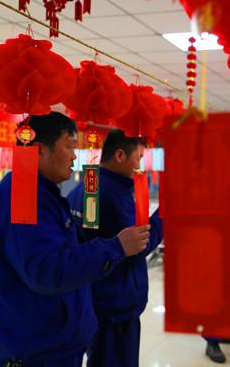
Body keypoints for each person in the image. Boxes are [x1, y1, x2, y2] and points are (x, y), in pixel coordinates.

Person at [0, 112, 151, 367]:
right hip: (36, 354)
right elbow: (46, 270)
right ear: (40, 150)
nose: (74, 156)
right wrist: (116, 247)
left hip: (53, 345)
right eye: (69, 147)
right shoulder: (23, 195)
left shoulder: (44, 193)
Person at [67, 128, 164, 367]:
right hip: (116, 301)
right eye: (138, 158)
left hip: (92, 297)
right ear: (120, 155)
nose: (139, 166)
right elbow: (139, 245)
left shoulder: (85, 186)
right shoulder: (114, 194)